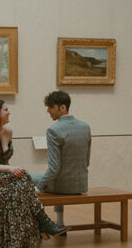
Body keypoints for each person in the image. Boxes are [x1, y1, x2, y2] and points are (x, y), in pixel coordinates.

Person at [0, 99, 67, 248]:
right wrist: (10, 169)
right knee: (22, 180)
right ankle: (44, 222)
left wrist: (11, 171)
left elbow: (6, 160)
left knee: (18, 189)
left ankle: (20, 242)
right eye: (6, 109)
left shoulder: (8, 132)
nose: (9, 112)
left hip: (1, 175)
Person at [31, 90, 91, 229]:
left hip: (62, 186)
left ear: (62, 107)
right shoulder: (85, 127)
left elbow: (54, 168)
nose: (48, 110)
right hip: (81, 185)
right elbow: (86, 161)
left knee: (27, 176)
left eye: (51, 107)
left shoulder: (54, 130)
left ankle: (39, 226)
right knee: (54, 177)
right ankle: (60, 221)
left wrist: (38, 188)